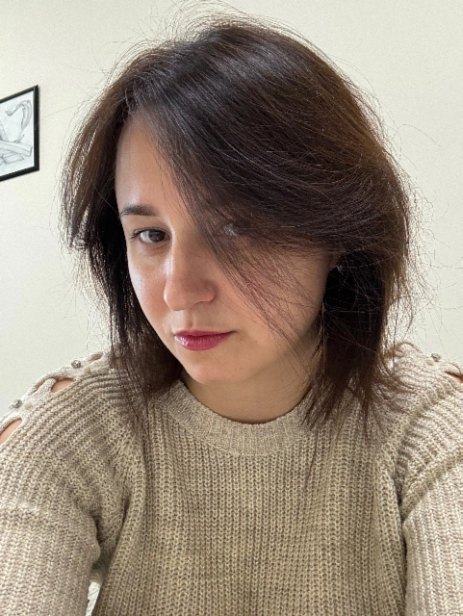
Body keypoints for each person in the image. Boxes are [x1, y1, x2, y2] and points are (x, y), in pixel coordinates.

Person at [1, 13, 462, 616]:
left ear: (338, 231)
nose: (179, 291)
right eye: (150, 234)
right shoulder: (70, 432)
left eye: (238, 228)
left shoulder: (431, 430)